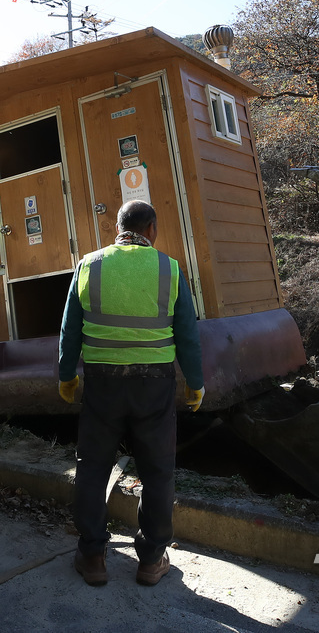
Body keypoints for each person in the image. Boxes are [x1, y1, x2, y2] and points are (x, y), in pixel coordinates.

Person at [57, 200, 204, 588]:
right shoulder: (169, 269)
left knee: (93, 467)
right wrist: (195, 381)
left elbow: (70, 330)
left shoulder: (89, 265)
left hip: (102, 383)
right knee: (157, 471)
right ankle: (151, 560)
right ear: (151, 229)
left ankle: (93, 557)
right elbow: (187, 335)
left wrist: (66, 376)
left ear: (118, 228)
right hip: (154, 384)